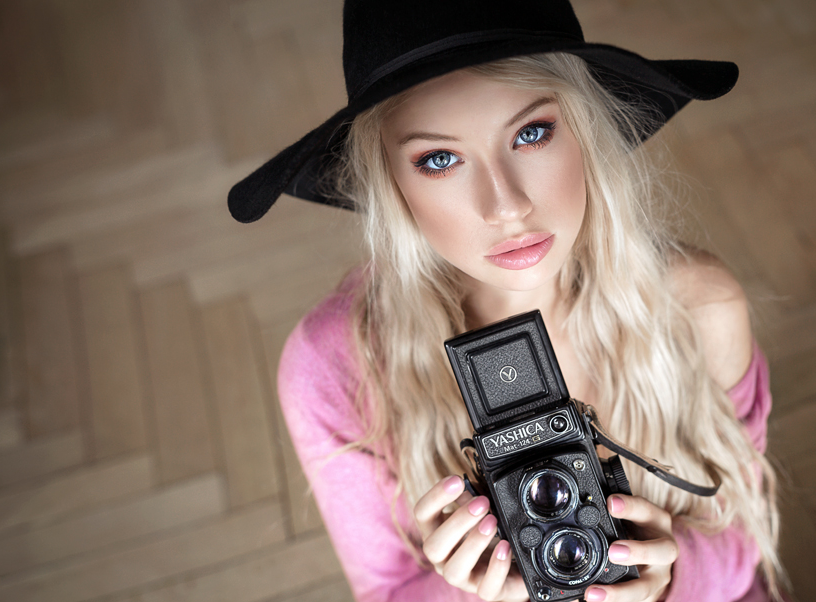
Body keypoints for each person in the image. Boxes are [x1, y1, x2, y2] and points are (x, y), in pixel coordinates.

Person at [228, 2, 782, 601]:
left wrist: (673, 581)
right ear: (390, 183)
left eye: (532, 133)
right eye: (438, 159)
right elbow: (387, 592)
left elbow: (743, 531)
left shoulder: (697, 306)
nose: (506, 206)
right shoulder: (337, 363)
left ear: (587, 126)